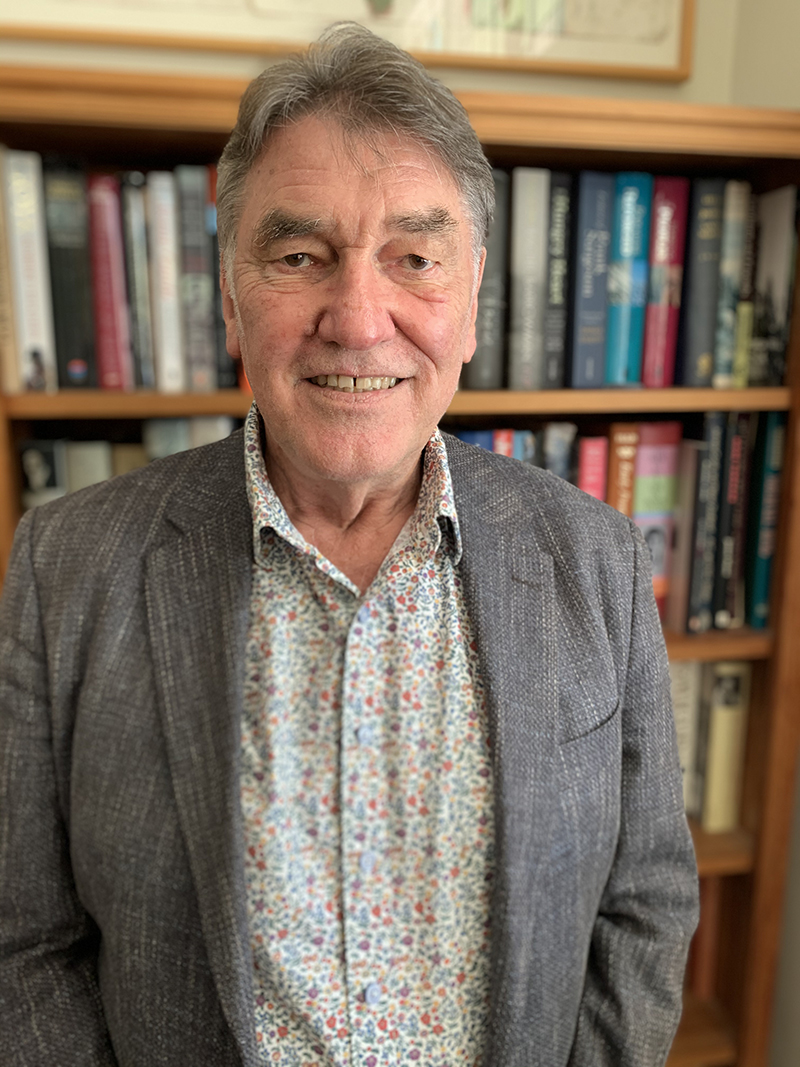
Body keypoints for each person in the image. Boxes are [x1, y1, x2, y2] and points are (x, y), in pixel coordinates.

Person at [0, 22, 698, 1067]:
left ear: (469, 304)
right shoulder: (64, 565)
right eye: (299, 256)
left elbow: (642, 908)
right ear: (233, 295)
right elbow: (23, 944)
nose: (357, 318)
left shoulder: (593, 556)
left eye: (412, 258)